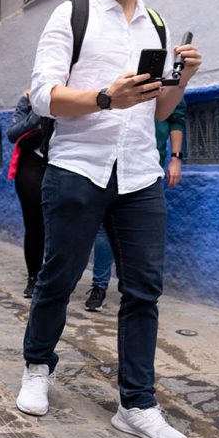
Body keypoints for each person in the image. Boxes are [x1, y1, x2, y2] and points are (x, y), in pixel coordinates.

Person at [15, 0, 202, 438]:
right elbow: (42, 95)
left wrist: (183, 76)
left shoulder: (157, 25)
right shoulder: (70, 16)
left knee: (144, 290)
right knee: (59, 277)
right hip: (77, 168)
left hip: (141, 172)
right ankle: (37, 367)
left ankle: (136, 404)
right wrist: (104, 97)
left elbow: (160, 107)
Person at [85, 106, 186, 312]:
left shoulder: (167, 78)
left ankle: (137, 293)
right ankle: (99, 286)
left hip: (147, 168)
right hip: (110, 164)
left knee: (143, 237)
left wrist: (176, 158)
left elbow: (176, 118)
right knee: (104, 230)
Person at [7, 90, 50, 298]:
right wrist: (37, 111)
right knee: (34, 224)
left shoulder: (70, 96)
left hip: (60, 163)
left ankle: (54, 275)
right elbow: (12, 134)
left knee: (59, 225)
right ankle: (34, 277)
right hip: (31, 166)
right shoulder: (28, 100)